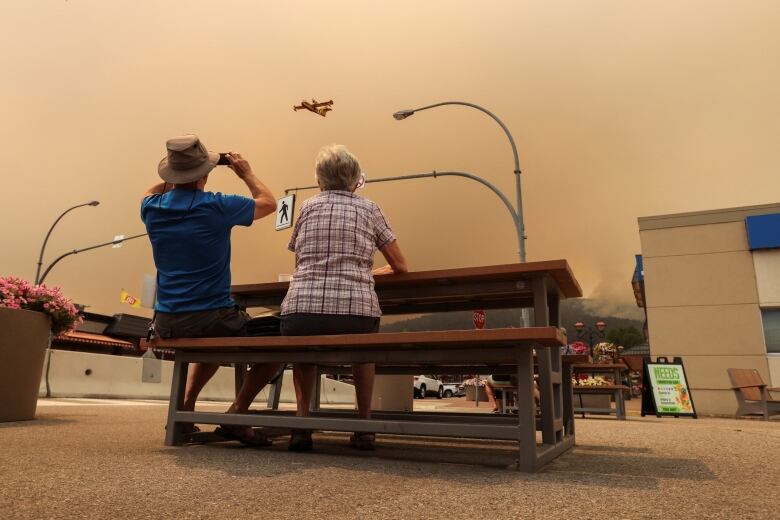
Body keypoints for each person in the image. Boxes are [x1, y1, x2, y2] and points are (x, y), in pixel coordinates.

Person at [141, 134, 282, 445]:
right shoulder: (216, 206)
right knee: (280, 339)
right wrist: (245, 173)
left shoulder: (151, 208)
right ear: (203, 174)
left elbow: (151, 190)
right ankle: (236, 414)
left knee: (216, 337)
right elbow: (269, 203)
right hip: (211, 317)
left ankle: (186, 410)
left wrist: (181, 170)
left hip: (166, 321)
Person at [280, 144, 408, 451]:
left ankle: (302, 423)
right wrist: (363, 271)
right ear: (355, 179)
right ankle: (364, 426)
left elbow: (300, 262)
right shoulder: (370, 209)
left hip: (300, 312)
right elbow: (401, 266)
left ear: (319, 180)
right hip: (356, 314)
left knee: (304, 348)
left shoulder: (307, 207)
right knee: (363, 352)